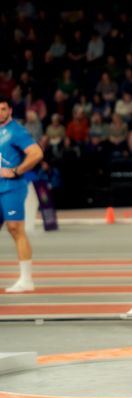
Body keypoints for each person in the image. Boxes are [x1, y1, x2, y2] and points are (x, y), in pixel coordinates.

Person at [0, 95, 44, 292]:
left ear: (9, 110)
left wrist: (17, 171)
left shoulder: (16, 131)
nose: (0, 113)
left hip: (12, 187)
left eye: (3, 109)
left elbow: (36, 153)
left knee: (15, 228)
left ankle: (27, 280)